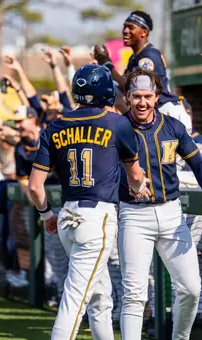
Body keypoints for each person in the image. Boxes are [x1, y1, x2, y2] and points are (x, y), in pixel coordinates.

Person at [27, 64, 148, 340]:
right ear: (106, 91)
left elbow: (34, 187)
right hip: (97, 219)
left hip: (67, 216)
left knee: (100, 297)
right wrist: (139, 186)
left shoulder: (54, 125)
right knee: (75, 300)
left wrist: (47, 216)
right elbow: (136, 176)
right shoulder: (118, 122)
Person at [117, 68, 202, 340]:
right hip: (133, 215)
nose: (142, 102)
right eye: (136, 96)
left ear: (157, 97)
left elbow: (197, 162)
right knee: (134, 293)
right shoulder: (116, 127)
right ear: (127, 97)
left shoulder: (173, 126)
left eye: (147, 96)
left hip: (171, 214)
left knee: (190, 288)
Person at [92, 10, 193, 133]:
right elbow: (120, 85)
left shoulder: (148, 56)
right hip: (153, 115)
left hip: (167, 114)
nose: (125, 31)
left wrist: (107, 64)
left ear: (144, 32)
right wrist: (102, 69)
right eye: (124, 26)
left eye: (131, 27)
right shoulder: (135, 57)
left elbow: (134, 87)